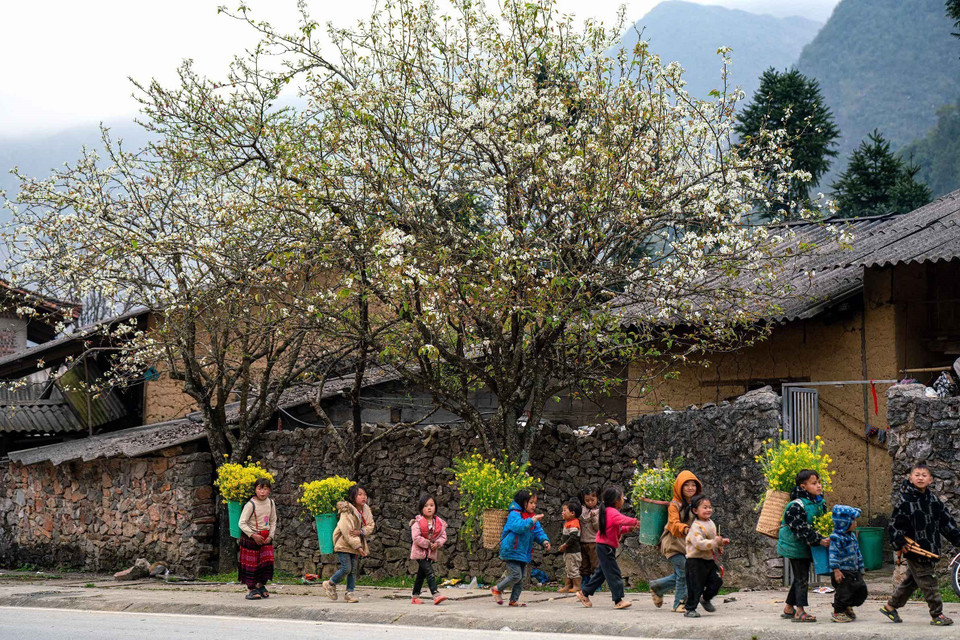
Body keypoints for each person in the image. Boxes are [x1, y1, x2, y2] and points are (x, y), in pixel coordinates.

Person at [882, 463, 960, 626]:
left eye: (924, 475)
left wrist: (958, 539)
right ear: (910, 478)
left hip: (930, 548)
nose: (920, 477)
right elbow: (895, 525)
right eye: (917, 474)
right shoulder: (905, 501)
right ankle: (937, 614)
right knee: (929, 580)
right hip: (914, 550)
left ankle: (891, 606)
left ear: (930, 479)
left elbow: (946, 523)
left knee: (912, 581)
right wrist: (900, 541)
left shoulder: (933, 500)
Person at [777, 469, 828, 623]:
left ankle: (788, 608)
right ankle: (800, 612)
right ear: (803, 486)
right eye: (814, 483)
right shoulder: (796, 505)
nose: (818, 486)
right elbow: (800, 528)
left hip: (806, 546)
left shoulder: (818, 502)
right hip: (794, 546)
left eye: (819, 482)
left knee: (800, 577)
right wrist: (818, 539)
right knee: (802, 577)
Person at [576, 485, 638, 610]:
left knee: (601, 574)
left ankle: (584, 593)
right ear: (616, 501)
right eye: (622, 498)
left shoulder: (609, 512)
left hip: (604, 547)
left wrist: (631, 528)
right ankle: (618, 600)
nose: (623, 500)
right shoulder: (612, 512)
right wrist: (635, 521)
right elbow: (623, 520)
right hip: (605, 547)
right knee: (614, 573)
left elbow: (619, 529)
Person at [650, 470, 701, 612]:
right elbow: (673, 524)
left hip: (686, 546)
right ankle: (679, 603)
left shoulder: (696, 505)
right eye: (687, 485)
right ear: (679, 487)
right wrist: (685, 529)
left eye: (693, 485)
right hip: (673, 545)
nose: (691, 488)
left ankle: (657, 586)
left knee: (685, 572)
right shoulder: (674, 505)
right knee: (684, 571)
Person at [492, 489, 551, 607]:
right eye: (531, 502)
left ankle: (513, 600)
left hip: (523, 552)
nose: (534, 505)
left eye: (535, 503)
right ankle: (497, 589)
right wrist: (533, 520)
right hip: (511, 550)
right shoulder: (514, 514)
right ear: (523, 502)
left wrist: (544, 541)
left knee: (522, 577)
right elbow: (519, 527)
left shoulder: (531, 517)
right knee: (516, 575)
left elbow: (538, 532)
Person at [323, 484, 373, 603]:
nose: (363, 497)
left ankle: (349, 593)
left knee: (353, 570)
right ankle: (330, 583)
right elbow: (347, 531)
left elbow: (370, 525)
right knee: (347, 568)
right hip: (344, 543)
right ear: (352, 496)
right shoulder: (347, 510)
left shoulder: (366, 510)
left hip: (356, 544)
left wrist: (361, 532)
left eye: (365, 494)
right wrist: (358, 546)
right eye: (360, 494)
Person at [683, 494, 728, 618]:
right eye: (705, 507)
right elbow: (699, 544)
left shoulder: (711, 522)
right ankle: (690, 609)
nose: (708, 510)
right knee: (695, 586)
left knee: (716, 581)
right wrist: (714, 543)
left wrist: (720, 545)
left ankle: (706, 598)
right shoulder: (695, 527)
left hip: (708, 560)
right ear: (695, 511)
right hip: (695, 561)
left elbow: (713, 538)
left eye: (709, 507)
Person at [238, 478, 277, 600]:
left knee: (266, 563)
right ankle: (251, 588)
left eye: (265, 489)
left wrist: (270, 536)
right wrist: (253, 535)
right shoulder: (251, 504)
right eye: (260, 489)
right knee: (252, 564)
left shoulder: (271, 503)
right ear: (255, 490)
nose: (262, 492)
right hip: (251, 538)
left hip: (265, 538)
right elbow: (242, 523)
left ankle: (260, 585)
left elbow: (273, 520)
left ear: (269, 490)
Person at [828, 505, 867, 623]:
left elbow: (858, 553)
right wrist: (836, 570)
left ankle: (847, 606)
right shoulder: (836, 538)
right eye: (853, 521)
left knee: (860, 590)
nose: (856, 523)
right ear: (844, 523)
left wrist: (861, 568)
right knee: (844, 592)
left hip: (853, 570)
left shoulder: (852, 536)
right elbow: (833, 554)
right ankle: (838, 611)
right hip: (842, 571)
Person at [409, 494, 448, 605]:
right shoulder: (417, 522)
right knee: (429, 572)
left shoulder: (438, 523)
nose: (429, 508)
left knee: (421, 575)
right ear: (421, 508)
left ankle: (415, 596)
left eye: (432, 505)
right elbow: (416, 538)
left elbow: (443, 536)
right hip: (420, 553)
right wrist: (428, 544)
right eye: (426, 506)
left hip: (430, 553)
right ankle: (435, 594)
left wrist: (437, 543)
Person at [557, 498, 583, 593]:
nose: (562, 513)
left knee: (573, 568)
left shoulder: (574, 523)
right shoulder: (568, 522)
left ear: (572, 513)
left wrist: (565, 545)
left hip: (573, 552)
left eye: (564, 510)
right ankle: (568, 585)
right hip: (569, 552)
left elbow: (573, 537)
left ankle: (577, 586)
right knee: (568, 568)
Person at [578, 488, 600, 583]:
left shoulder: (599, 512)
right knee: (584, 564)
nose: (590, 502)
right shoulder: (581, 510)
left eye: (592, 500)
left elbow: (598, 528)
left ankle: (596, 583)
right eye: (587, 500)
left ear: (597, 499)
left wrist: (594, 518)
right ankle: (585, 581)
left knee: (595, 564)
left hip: (593, 541)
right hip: (583, 541)